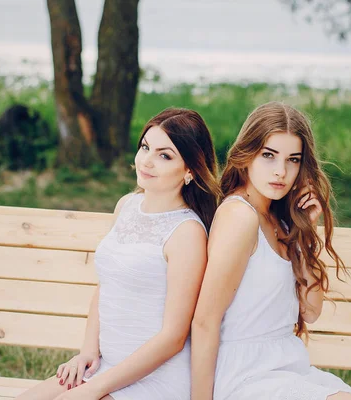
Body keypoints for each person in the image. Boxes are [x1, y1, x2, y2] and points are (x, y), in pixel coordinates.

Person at [16, 107, 220, 400]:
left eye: (165, 155)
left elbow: (173, 338)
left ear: (189, 169)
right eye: (145, 147)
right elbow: (106, 285)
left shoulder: (186, 232)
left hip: (154, 378)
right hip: (105, 366)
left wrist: (97, 389)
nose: (147, 161)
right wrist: (87, 352)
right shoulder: (126, 205)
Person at [191, 102, 351, 400]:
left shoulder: (280, 220)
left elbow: (311, 312)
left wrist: (303, 234)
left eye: (293, 160)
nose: (281, 172)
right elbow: (205, 320)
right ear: (246, 156)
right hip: (244, 374)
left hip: (288, 367)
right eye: (269, 156)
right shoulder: (240, 217)